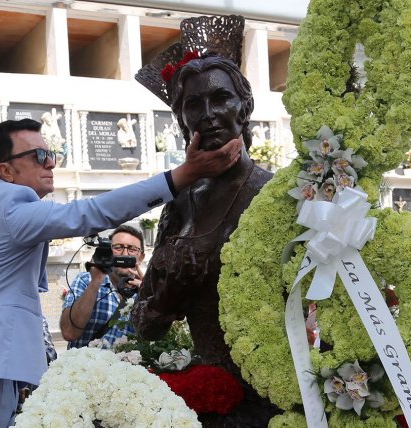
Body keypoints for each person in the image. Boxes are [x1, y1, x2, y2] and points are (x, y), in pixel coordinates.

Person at [0, 117, 242, 428]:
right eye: (38, 156)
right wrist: (182, 176)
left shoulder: (4, 205)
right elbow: (89, 213)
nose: (50, 164)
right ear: (6, 170)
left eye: (50, 154)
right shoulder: (8, 202)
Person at [133, 15, 278, 427]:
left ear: (244, 106)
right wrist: (169, 294)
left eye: (220, 98)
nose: (209, 114)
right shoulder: (178, 206)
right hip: (212, 396)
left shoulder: (278, 194)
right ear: (180, 119)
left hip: (280, 391)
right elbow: (144, 324)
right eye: (193, 104)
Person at [59, 224, 145, 348]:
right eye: (118, 247)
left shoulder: (146, 290)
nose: (125, 253)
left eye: (132, 249)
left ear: (141, 257)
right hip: (87, 366)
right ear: (109, 252)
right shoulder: (86, 280)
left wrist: (148, 293)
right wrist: (96, 280)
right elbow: (69, 333)